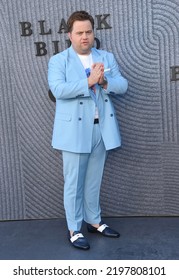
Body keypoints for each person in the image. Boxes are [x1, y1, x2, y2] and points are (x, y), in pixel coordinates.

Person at [48, 10, 128, 250]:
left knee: (94, 180)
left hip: (101, 129)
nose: (85, 36)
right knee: (73, 183)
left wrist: (104, 81)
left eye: (89, 32)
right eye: (79, 32)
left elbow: (122, 85)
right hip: (73, 132)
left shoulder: (105, 57)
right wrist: (89, 82)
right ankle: (74, 229)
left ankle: (94, 221)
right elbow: (58, 90)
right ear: (70, 35)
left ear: (94, 33)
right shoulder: (59, 61)